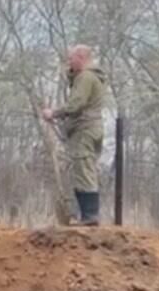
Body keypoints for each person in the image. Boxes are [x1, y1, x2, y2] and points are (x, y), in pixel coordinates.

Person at [42, 46, 111, 226]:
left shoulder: (86, 77)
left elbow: (76, 104)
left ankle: (89, 216)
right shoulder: (88, 77)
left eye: (71, 59)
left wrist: (54, 113)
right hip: (91, 128)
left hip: (85, 129)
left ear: (81, 57)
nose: (69, 63)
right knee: (84, 169)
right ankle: (86, 215)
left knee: (84, 168)